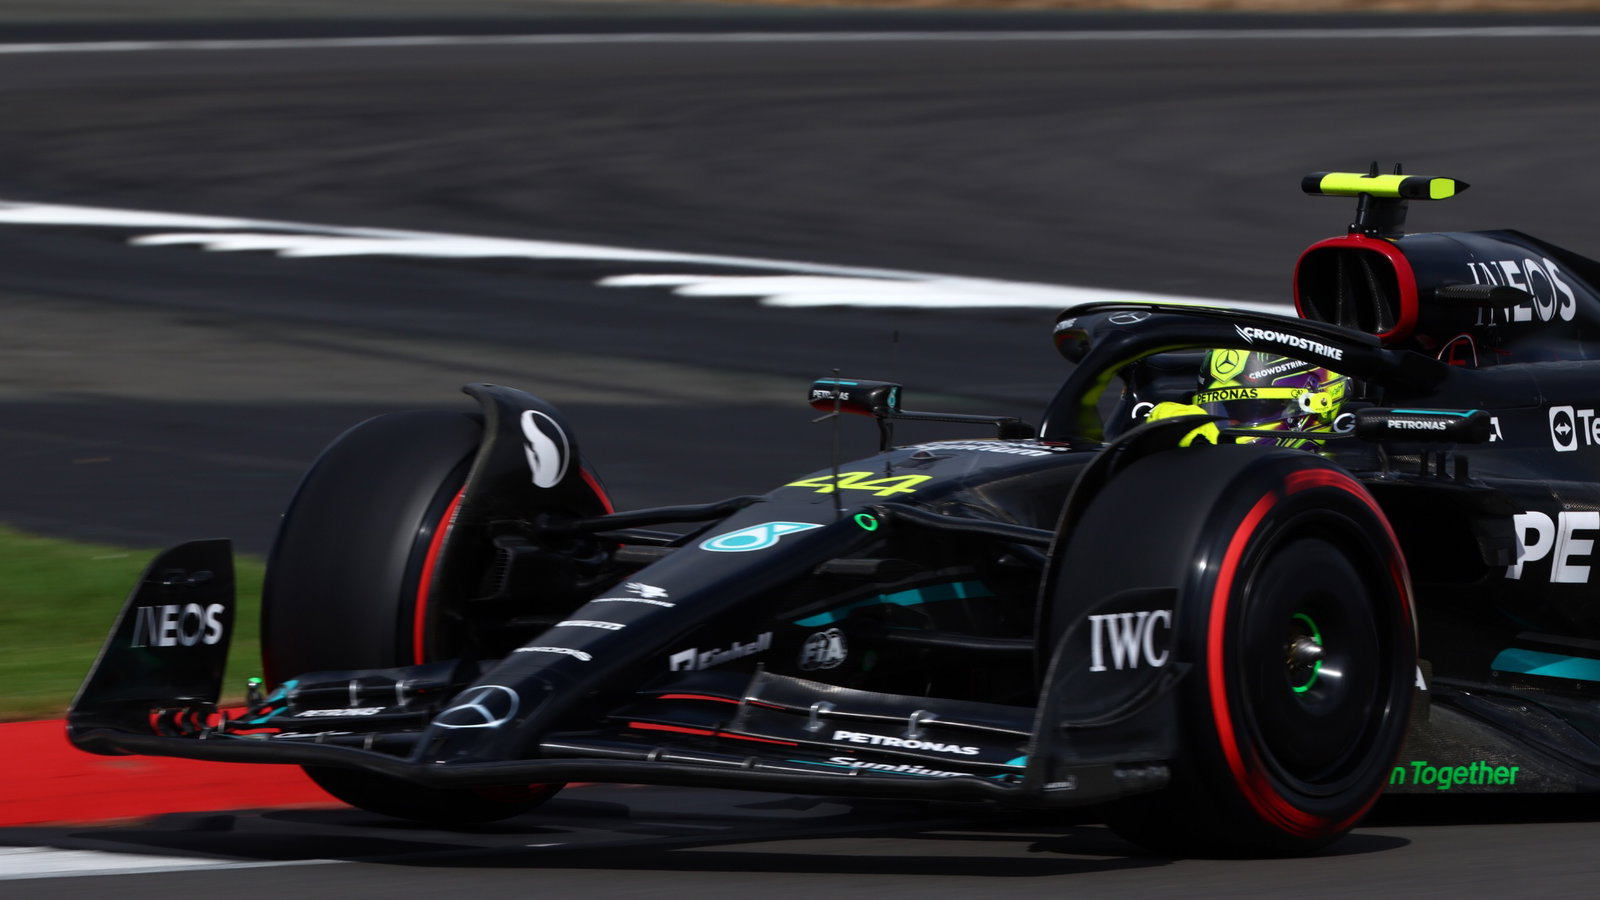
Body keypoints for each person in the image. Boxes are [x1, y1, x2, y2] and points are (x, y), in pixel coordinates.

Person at [1144, 348, 1349, 448]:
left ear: (1317, 404)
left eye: (1245, 411)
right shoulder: (1200, 441)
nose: (1227, 426)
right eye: (1216, 411)